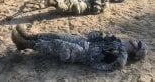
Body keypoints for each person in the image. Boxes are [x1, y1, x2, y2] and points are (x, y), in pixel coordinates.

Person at [12, 24, 147, 71]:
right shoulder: (118, 41)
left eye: (138, 44)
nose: (136, 41)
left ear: (136, 52)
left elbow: (106, 66)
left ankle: (24, 44)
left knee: (59, 45)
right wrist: (101, 35)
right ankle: (29, 36)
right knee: (57, 35)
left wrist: (89, 60)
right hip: (85, 42)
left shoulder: (121, 59)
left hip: (84, 53)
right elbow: (91, 36)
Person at [43, 0, 108, 15]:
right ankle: (52, 2)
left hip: (82, 7)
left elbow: (93, 8)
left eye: (103, 1)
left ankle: (52, 3)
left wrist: (96, 0)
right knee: (68, 1)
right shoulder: (96, 3)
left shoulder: (98, 8)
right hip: (82, 4)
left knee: (69, 7)